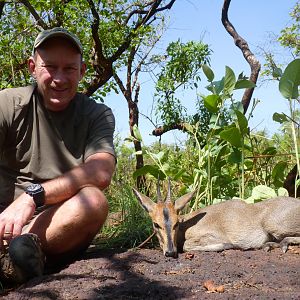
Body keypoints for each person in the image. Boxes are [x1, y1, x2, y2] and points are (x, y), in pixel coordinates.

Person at [0, 27, 116, 283]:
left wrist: (33, 196)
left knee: (94, 202)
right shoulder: (8, 103)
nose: (59, 79)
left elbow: (101, 170)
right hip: (3, 219)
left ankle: (21, 255)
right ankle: (17, 260)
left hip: (54, 226)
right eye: (50, 67)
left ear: (82, 71)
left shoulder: (97, 114)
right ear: (32, 67)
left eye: (69, 69)